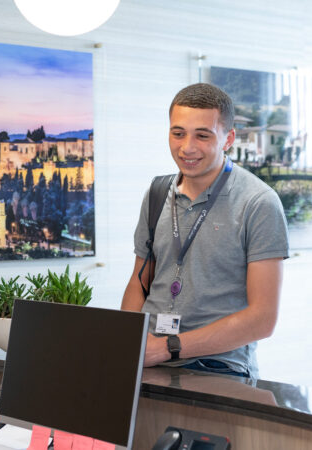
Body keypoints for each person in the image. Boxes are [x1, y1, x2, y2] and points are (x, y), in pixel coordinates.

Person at [121, 83, 289, 378]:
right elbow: (139, 283)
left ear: (229, 139)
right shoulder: (157, 192)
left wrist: (167, 347)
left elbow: (262, 319)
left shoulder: (258, 203)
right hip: (146, 361)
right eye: (178, 133)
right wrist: (124, 343)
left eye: (202, 135)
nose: (187, 147)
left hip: (219, 368)